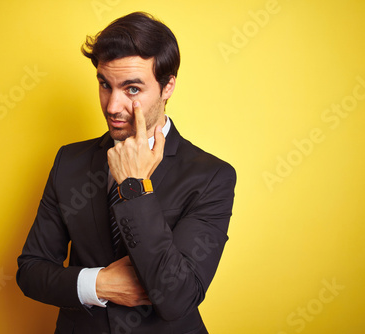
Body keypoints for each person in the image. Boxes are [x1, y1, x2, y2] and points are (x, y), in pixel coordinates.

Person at [17, 11, 236, 334]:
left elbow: (178, 297)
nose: (112, 106)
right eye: (105, 85)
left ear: (168, 87)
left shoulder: (211, 176)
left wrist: (134, 187)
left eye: (132, 89)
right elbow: (31, 271)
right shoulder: (70, 160)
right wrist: (98, 284)